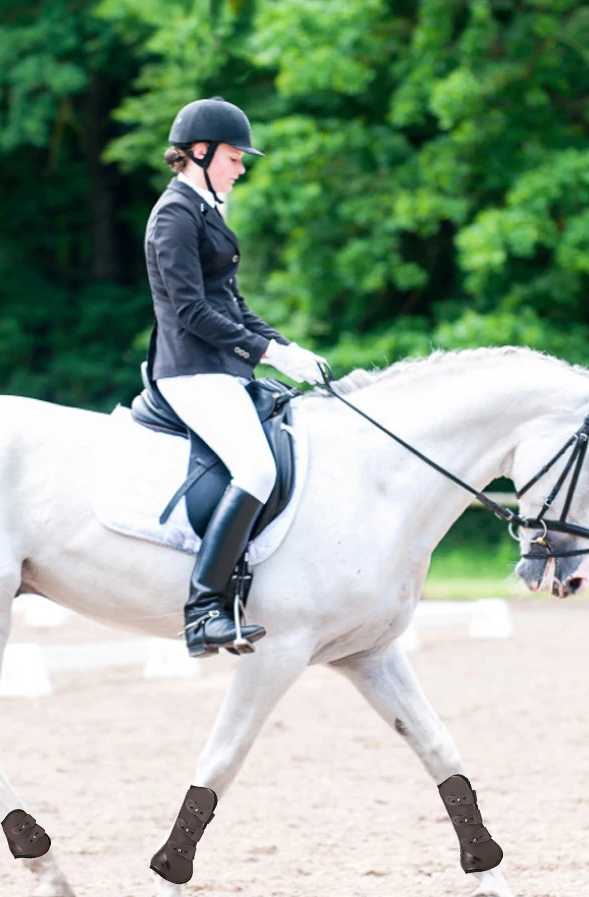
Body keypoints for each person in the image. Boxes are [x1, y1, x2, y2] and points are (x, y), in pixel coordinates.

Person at [144, 96, 328, 657]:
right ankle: (203, 609)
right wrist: (266, 352)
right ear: (199, 153)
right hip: (190, 371)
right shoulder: (174, 216)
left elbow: (233, 303)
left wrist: (287, 347)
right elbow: (192, 311)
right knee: (255, 466)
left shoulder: (205, 211)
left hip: (220, 367)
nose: (241, 166)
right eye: (233, 156)